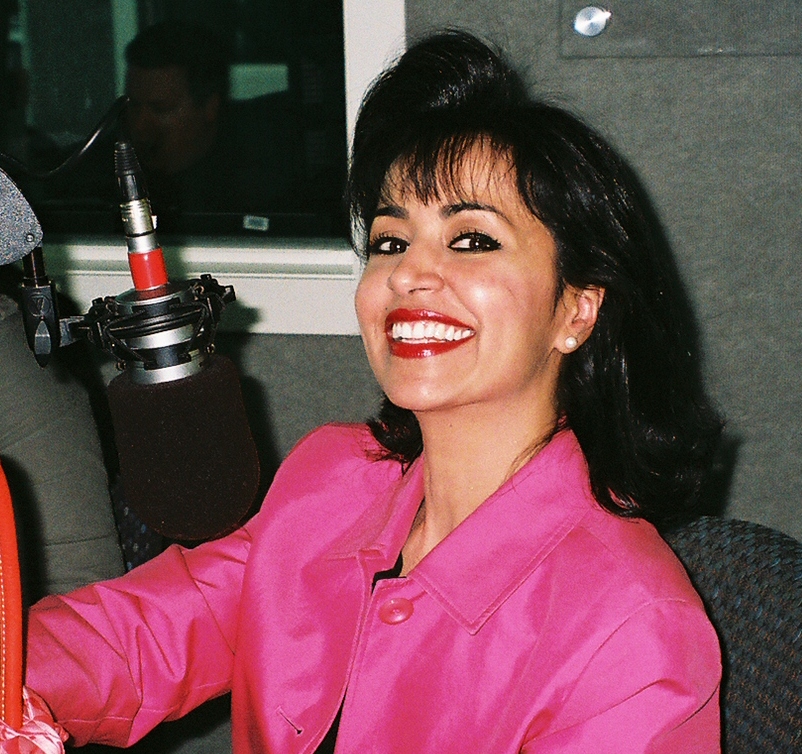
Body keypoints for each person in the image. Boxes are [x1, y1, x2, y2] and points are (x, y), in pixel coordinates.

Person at [19, 32, 723, 752]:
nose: (410, 273)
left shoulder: (635, 634)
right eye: (391, 241)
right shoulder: (335, 482)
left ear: (577, 310)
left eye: (472, 240)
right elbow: (142, 636)